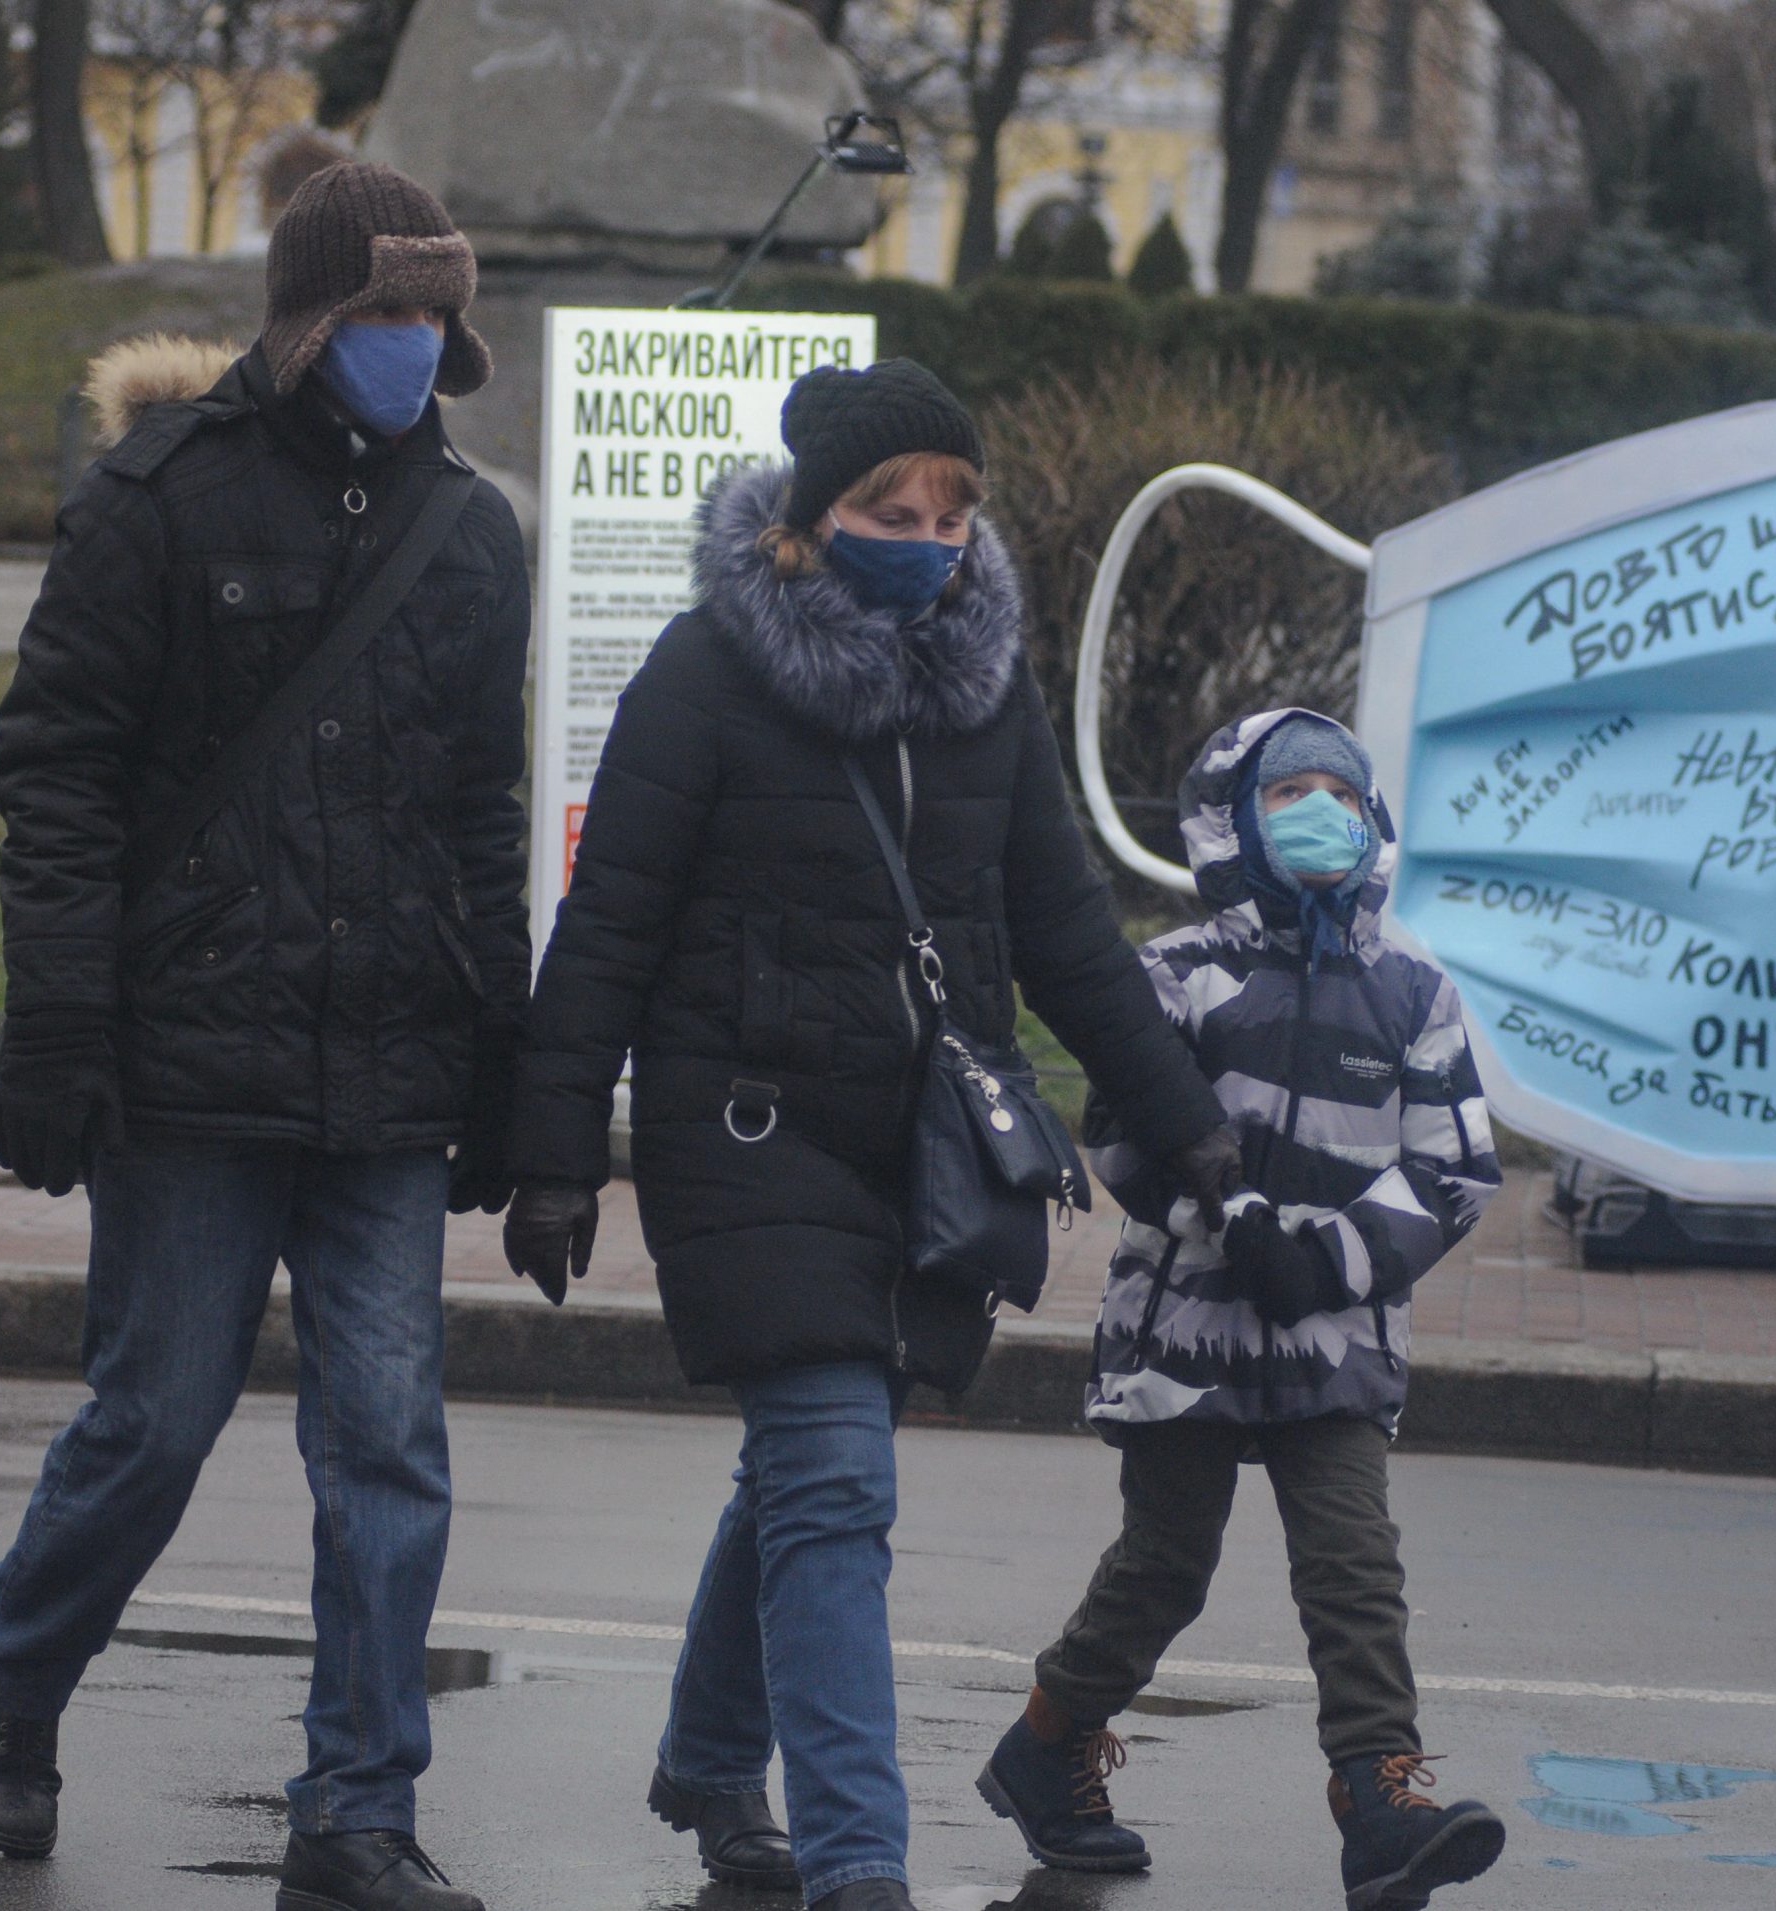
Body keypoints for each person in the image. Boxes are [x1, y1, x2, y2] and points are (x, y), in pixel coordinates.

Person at [499, 359, 1241, 1911]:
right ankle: (858, 1858)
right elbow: (612, 916)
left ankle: (714, 1758)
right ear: (808, 518)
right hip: (746, 1126)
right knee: (837, 1475)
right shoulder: (706, 670)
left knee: (804, 1471)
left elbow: (1065, 931)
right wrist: (557, 1147)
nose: (927, 540)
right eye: (890, 512)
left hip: (924, 1146)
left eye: (951, 514)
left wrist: (1191, 1128)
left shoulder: (986, 686)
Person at [0, 165, 528, 1911]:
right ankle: (4, 1683)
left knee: (389, 1446)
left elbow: (483, 814)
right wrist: (59, 1022)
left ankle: (357, 1806)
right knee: (153, 1422)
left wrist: (506, 1064)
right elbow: (55, 771)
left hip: (389, 1073)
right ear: (312, 321)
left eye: (435, 315)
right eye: (386, 313)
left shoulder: (472, 531)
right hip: (193, 1063)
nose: (415, 343)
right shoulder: (160, 498)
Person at [977, 709, 1508, 1910]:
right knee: (1164, 1567)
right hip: (1186, 1329)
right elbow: (1123, 1131)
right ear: (1236, 820)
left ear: (1371, 818)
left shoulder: (1412, 992)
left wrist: (1329, 1262)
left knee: (1354, 1568)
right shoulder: (1176, 975)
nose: (1319, 811)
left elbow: (1453, 1166)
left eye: (1341, 792)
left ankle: (1379, 1799)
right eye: (1287, 792)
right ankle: (1048, 1742)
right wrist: (1232, 1223)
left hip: (1337, 1333)